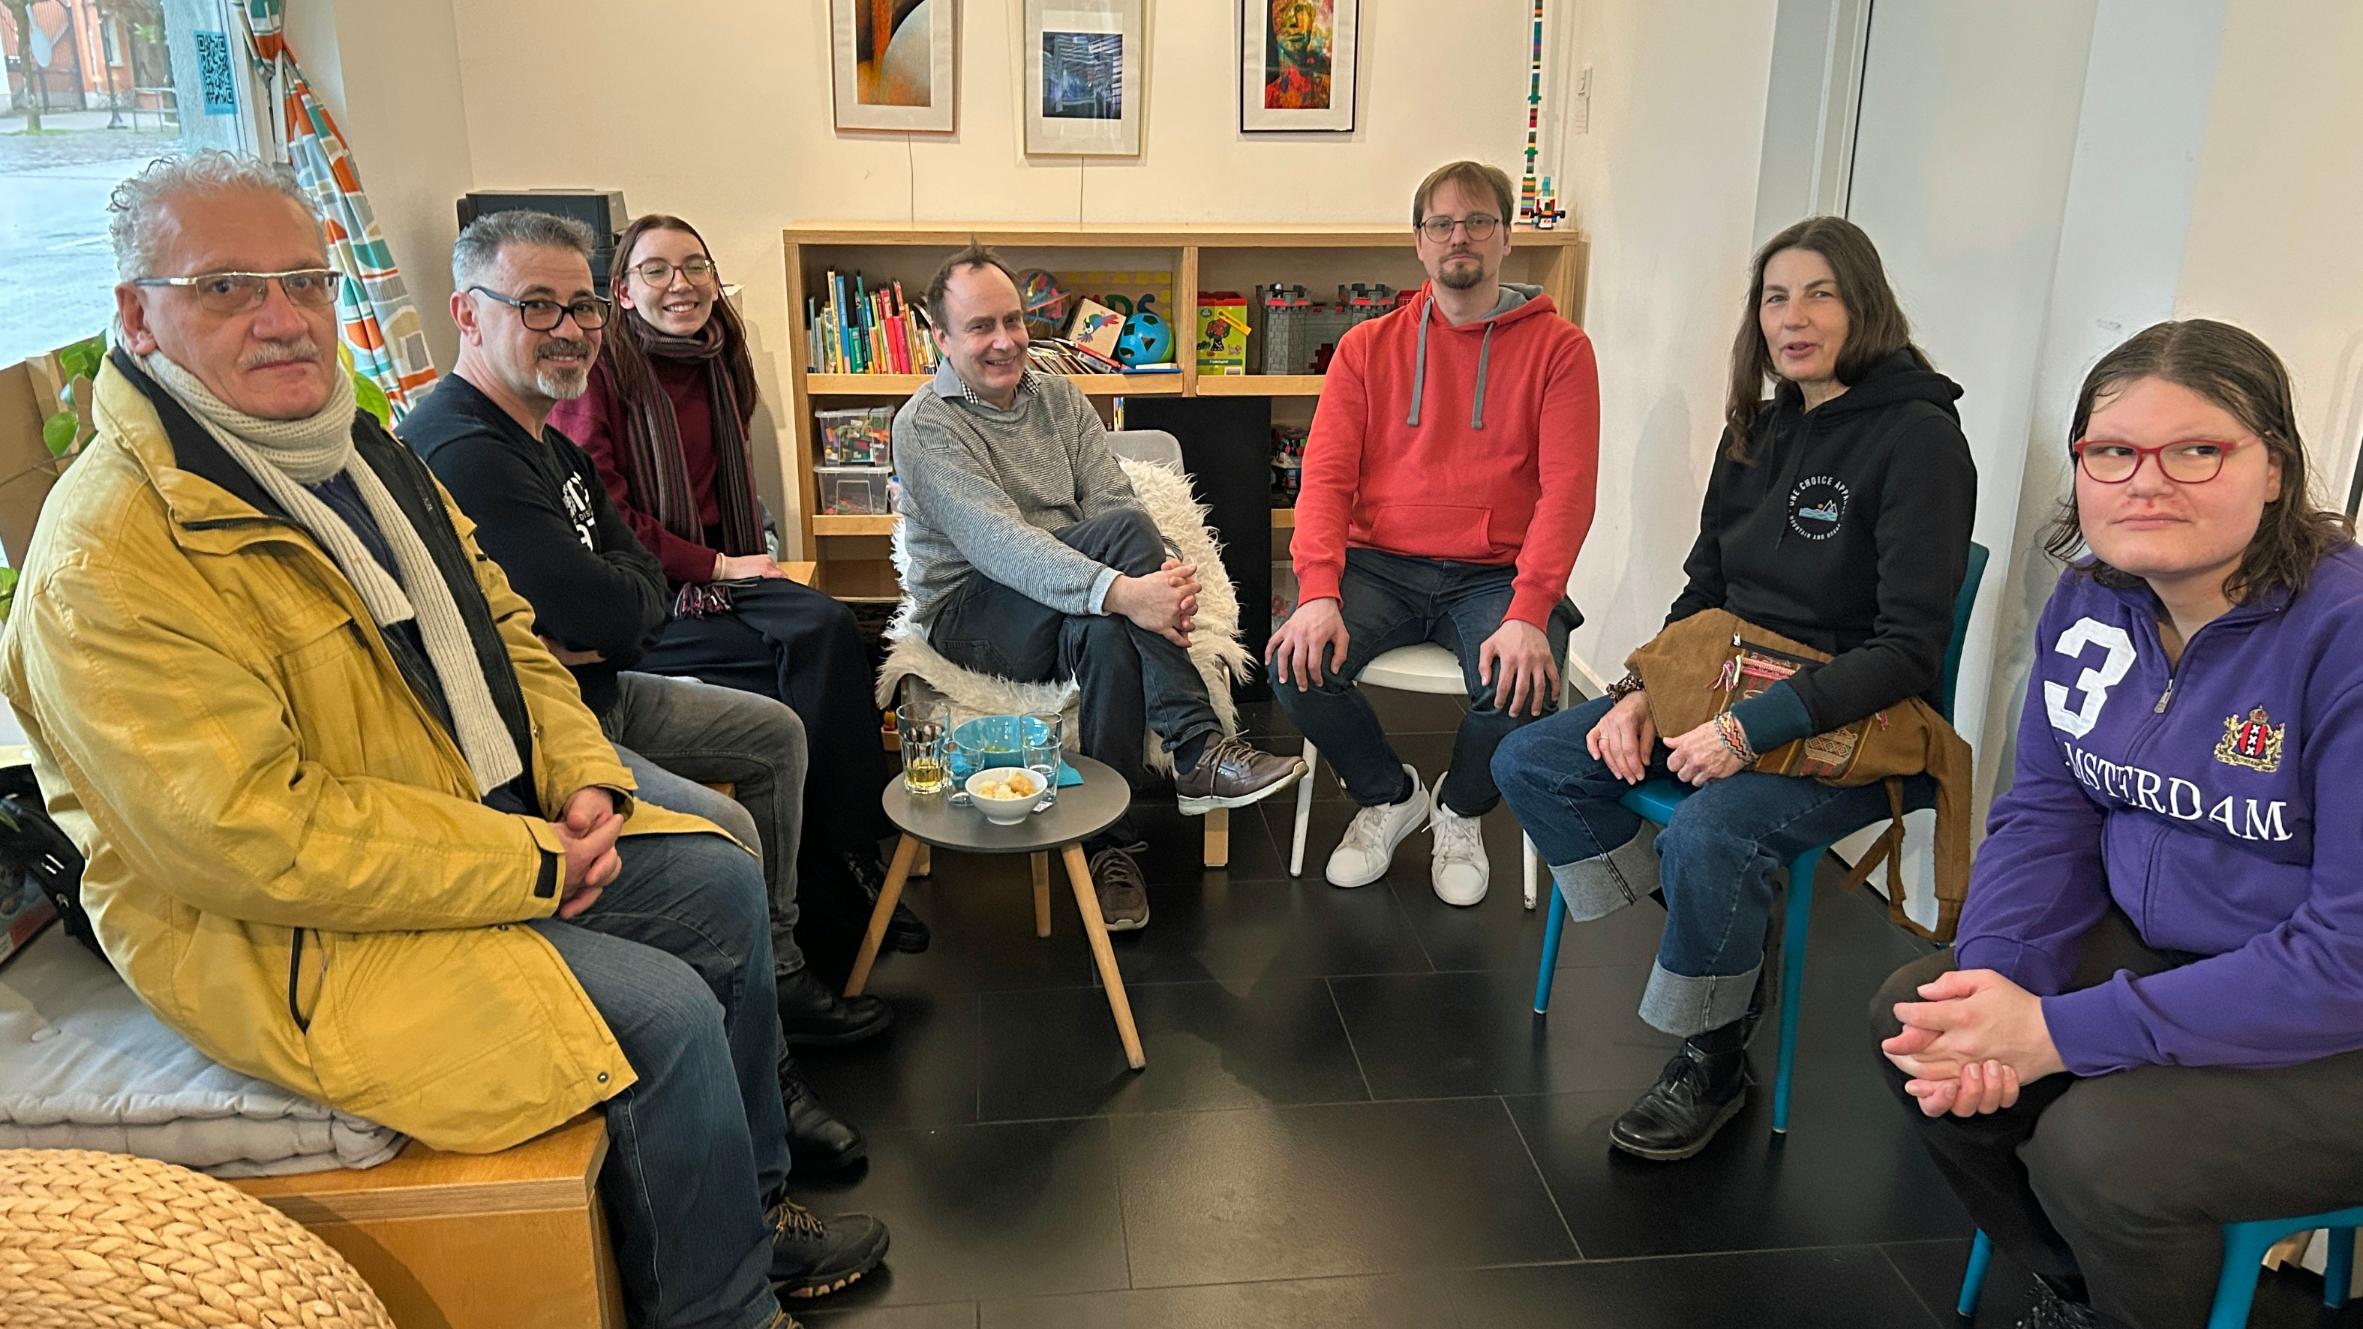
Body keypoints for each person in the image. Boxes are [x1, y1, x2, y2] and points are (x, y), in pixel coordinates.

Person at [0, 152, 886, 1329]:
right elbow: (243, 838)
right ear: (136, 313)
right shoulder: (110, 551)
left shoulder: (356, 451)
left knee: (718, 874)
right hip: (291, 932)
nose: (282, 318)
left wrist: (579, 780)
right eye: (225, 287)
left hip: (470, 830)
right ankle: (724, 1312)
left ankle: (750, 1210)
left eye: (307, 282)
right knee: (665, 1009)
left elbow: (510, 630)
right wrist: (526, 863)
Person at [1873, 320, 2363, 1329]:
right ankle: (2079, 1285)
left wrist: (2057, 1032)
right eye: (2110, 452)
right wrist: (2000, 978)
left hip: (2336, 1014)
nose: (2146, 481)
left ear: (2271, 468)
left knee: (2101, 1151)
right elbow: (2049, 808)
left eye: (2195, 449)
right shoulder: (2090, 600)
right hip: (2173, 949)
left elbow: (2346, 958)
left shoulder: (2342, 635)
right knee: (1921, 1020)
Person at [402, 209, 888, 1179]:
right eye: (536, 304)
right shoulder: (466, 447)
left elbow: (616, 581)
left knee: (779, 733)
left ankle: (789, 961)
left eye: (577, 305)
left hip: (611, 676)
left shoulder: (544, 426)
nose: (568, 326)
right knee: (731, 836)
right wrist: (633, 599)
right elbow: (613, 587)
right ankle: (777, 1064)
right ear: (465, 312)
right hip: (557, 727)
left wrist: (621, 603)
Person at [1492, 215, 1975, 1162]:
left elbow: (1907, 650)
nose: (1791, 318)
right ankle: (1725, 946)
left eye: (1818, 294)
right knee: (1536, 758)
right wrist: (1640, 688)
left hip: (1850, 715)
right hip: (1720, 677)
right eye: (1773, 298)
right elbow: (1703, 590)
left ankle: (1710, 1051)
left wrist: (1746, 733)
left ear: (1864, 302)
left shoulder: (1920, 440)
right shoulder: (1757, 424)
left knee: (1713, 831)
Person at [890, 244, 1307, 929]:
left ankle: (1107, 849)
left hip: (1065, 602)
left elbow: (1118, 505)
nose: (1004, 341)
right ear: (940, 337)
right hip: (973, 612)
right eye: (979, 327)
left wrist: (1162, 578)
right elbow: (1000, 543)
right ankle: (1196, 746)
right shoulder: (925, 425)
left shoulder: (1058, 398)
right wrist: (1125, 587)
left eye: (1013, 320)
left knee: (1109, 625)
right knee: (1116, 585)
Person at [546, 214, 925, 957]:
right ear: (621, 291)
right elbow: (610, 521)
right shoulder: (597, 377)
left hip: (723, 580)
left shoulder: (719, 358)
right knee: (814, 648)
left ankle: (840, 871)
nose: (679, 284)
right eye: (655, 270)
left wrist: (743, 558)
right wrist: (717, 567)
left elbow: (729, 492)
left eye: (694, 266)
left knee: (828, 634)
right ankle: (840, 875)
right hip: (649, 599)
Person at [1267, 159, 1599, 905]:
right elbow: (1323, 479)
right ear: (1418, 242)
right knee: (1292, 663)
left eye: (1478, 221)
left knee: (1525, 682)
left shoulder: (1560, 351)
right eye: (1441, 223)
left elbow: (1568, 494)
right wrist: (1317, 589)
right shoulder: (1364, 349)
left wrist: (1530, 607)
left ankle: (1459, 810)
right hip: (1379, 563)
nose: (1460, 237)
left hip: (1494, 571)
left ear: (1506, 238)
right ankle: (1390, 796)